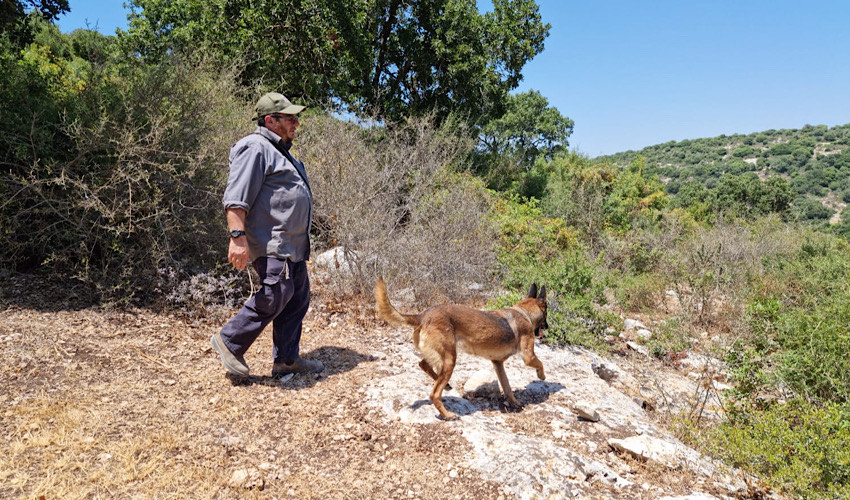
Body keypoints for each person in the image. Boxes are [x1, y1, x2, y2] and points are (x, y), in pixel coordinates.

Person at [211, 92, 324, 378]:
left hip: (292, 245)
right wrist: (237, 237)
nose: (296, 122)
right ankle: (229, 341)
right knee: (276, 294)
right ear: (270, 120)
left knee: (296, 298)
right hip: (273, 242)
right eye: (290, 118)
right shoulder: (255, 147)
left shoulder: (282, 151)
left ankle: (286, 360)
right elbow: (236, 198)